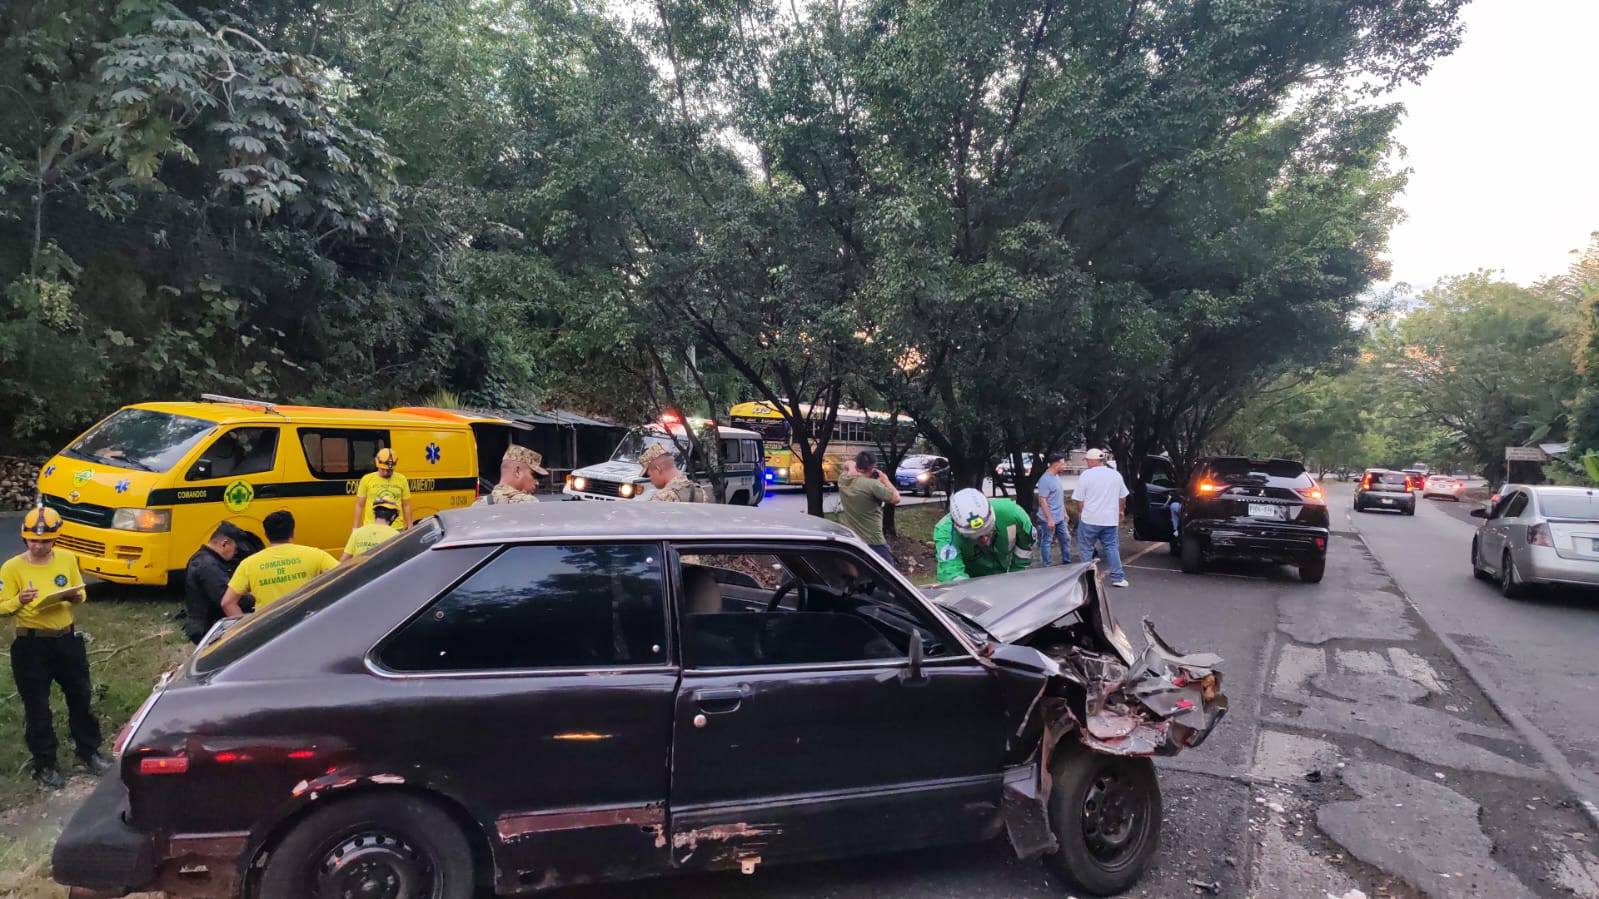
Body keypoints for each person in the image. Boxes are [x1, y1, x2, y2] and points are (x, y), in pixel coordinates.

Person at [1, 507, 110, 788]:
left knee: (80, 696)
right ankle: (45, 765)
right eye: (34, 541)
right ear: (25, 539)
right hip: (31, 644)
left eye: (46, 541)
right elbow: (2, 606)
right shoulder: (12, 568)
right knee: (38, 706)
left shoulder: (67, 559)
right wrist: (19, 601)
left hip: (66, 639)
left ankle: (88, 751)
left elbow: (81, 591)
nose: (40, 546)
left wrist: (74, 597)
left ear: (55, 540)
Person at [222, 510, 339, 617]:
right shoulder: (316, 555)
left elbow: (227, 603)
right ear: (292, 532)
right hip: (304, 622)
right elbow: (346, 575)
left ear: (266, 535)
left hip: (268, 629)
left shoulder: (248, 564)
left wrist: (246, 628)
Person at [933, 488, 1035, 583]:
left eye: (988, 531)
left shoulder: (1014, 514)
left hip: (1004, 572)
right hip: (970, 579)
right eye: (976, 537)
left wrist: (1015, 579)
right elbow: (950, 573)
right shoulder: (946, 534)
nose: (984, 540)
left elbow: (1025, 549)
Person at [182, 522, 249, 644]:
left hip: (208, 626)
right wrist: (255, 597)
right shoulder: (207, 565)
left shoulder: (206, 559)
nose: (236, 554)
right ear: (224, 544)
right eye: (236, 549)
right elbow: (226, 599)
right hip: (210, 631)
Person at [1073, 449, 1130, 587]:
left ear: (1092, 460)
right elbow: (1122, 497)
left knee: (1086, 548)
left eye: (1087, 460)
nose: (1086, 463)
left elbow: (1079, 499)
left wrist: (1081, 512)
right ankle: (1118, 578)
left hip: (1090, 519)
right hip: (1110, 519)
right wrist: (1120, 511)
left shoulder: (1086, 475)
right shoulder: (1115, 475)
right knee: (1111, 547)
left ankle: (1088, 579)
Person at [838, 451, 902, 564]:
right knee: (889, 575)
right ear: (873, 467)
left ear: (857, 465)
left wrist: (853, 469)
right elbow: (896, 498)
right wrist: (885, 480)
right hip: (874, 540)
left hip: (854, 540)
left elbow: (847, 463)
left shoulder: (843, 479)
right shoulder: (873, 485)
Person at [352, 448, 412, 531]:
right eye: (383, 469)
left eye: (389, 470)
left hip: (396, 529)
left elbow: (406, 505)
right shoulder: (367, 479)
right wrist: (355, 528)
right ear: (377, 465)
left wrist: (410, 526)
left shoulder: (402, 479)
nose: (386, 472)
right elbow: (359, 505)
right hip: (372, 528)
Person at [477, 445, 548, 505]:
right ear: (517, 472)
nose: (537, 483)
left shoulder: (478, 504)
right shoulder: (528, 502)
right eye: (534, 475)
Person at [1035, 453, 1072, 566]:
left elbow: (1059, 497)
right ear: (1056, 464)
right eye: (1063, 463)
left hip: (1059, 517)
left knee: (1065, 538)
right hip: (1048, 518)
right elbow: (1043, 501)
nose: (1065, 465)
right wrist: (1049, 519)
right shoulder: (1045, 480)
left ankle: (1067, 561)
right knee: (1047, 541)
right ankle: (1046, 565)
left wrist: (1064, 512)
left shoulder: (1056, 477)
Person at [640, 443, 710, 502]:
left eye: (650, 475)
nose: (651, 481)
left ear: (658, 469)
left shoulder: (661, 497)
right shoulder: (700, 491)